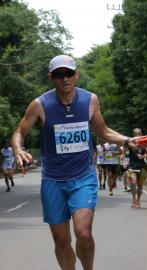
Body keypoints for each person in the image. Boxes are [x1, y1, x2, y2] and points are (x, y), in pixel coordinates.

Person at [11, 55, 135, 270]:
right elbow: (19, 131)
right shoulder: (40, 104)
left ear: (76, 74)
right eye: (59, 74)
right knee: (61, 240)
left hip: (82, 178)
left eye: (68, 73)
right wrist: (17, 148)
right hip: (53, 180)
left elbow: (103, 131)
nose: (64, 78)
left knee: (83, 233)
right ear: (51, 77)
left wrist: (128, 139)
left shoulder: (90, 100)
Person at [127, 128, 147, 208]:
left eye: (139, 133)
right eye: (136, 134)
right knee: (133, 182)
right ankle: (134, 199)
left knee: (140, 186)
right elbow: (131, 145)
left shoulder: (145, 143)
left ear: (141, 134)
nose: (137, 135)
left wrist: (143, 156)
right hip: (132, 166)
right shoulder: (130, 142)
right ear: (133, 135)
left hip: (142, 167)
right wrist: (138, 144)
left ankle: (138, 200)